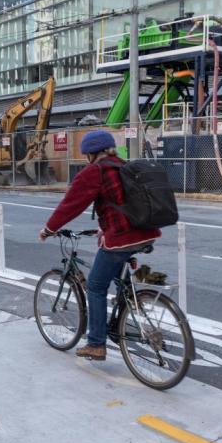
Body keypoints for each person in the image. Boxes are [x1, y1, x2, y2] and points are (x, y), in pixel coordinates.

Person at [39, 130, 160, 361]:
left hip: (123, 238)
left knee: (95, 285)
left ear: (90, 154)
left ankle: (96, 343)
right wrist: (104, 227)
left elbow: (70, 205)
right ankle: (125, 309)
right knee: (115, 271)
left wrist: (49, 230)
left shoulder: (95, 171)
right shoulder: (124, 166)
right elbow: (121, 203)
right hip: (146, 233)